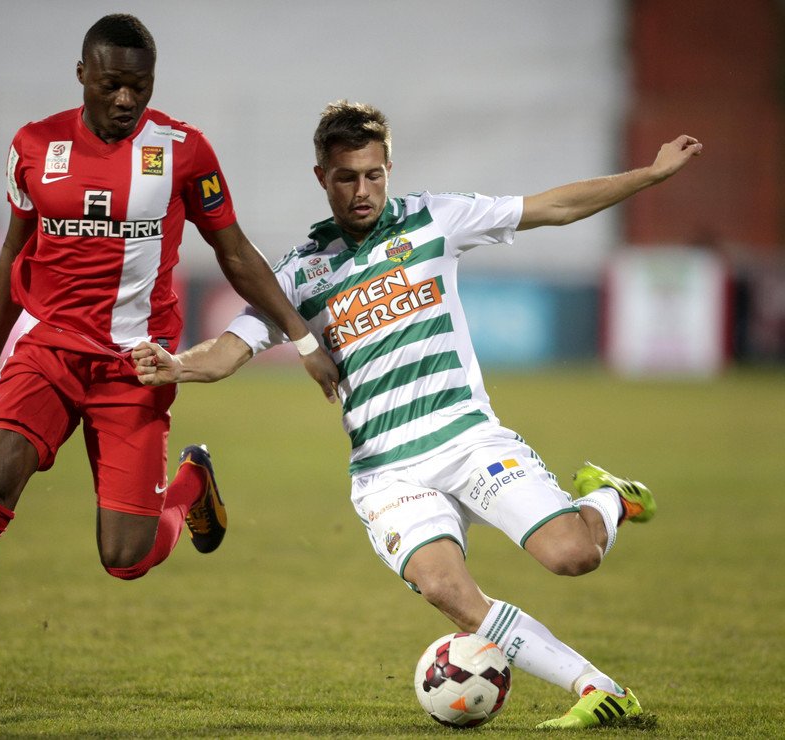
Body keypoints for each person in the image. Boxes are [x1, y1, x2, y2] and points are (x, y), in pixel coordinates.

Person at [132, 101, 702, 729]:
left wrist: (649, 175)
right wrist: (176, 364)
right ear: (321, 177)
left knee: (573, 555)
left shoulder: (435, 219)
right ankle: (600, 689)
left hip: (468, 439)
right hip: (387, 471)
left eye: (373, 175)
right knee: (445, 588)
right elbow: (225, 353)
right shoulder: (298, 274)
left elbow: (553, 207)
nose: (362, 190)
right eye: (346, 177)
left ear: (389, 169)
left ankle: (609, 499)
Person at [0, 14, 337, 712]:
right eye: (111, 85)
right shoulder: (34, 146)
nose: (126, 99)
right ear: (82, 76)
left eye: (140, 85)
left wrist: (303, 338)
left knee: (126, 558)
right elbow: (13, 252)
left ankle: (191, 483)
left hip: (138, 365)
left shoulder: (184, 151)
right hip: (49, 351)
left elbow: (234, 251)